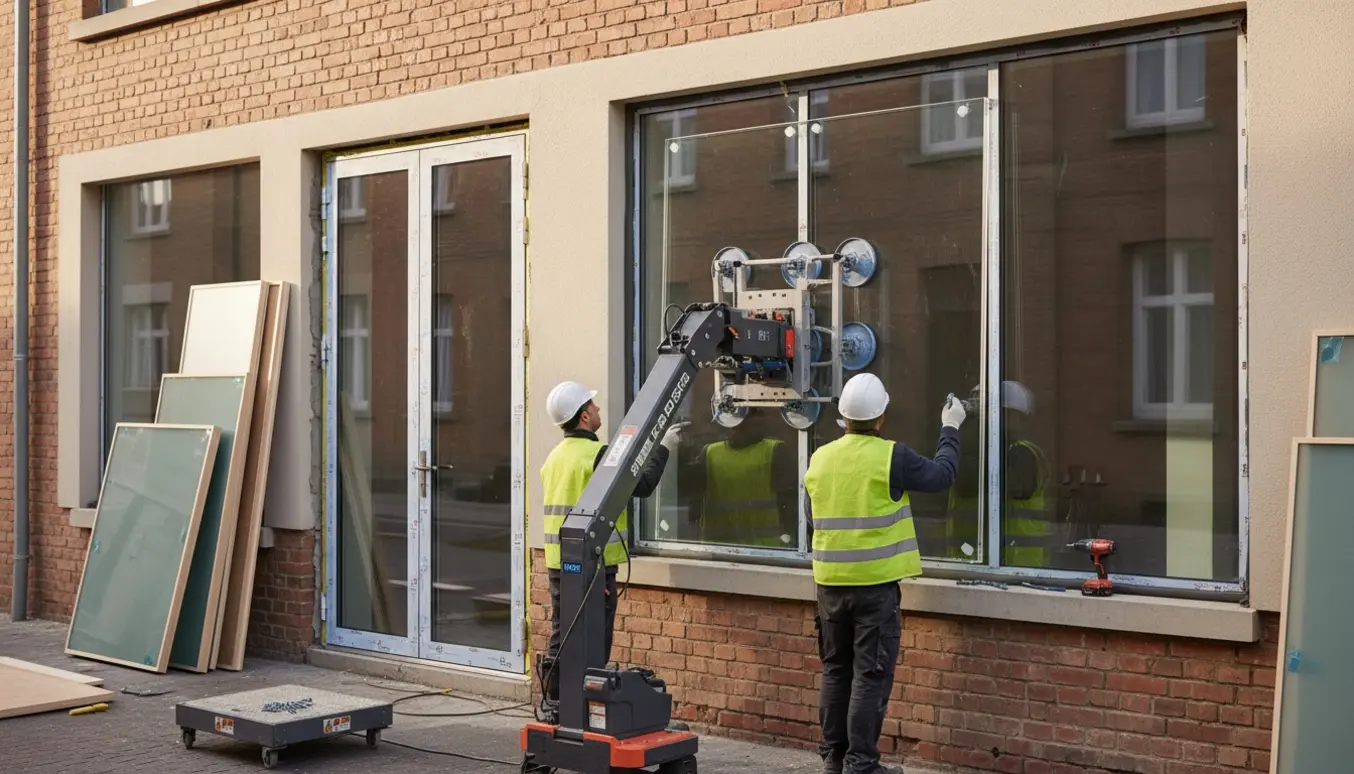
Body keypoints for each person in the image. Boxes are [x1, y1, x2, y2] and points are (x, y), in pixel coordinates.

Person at [805, 373, 964, 774]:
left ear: (842, 417)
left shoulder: (820, 457)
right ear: (881, 418)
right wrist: (951, 426)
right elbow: (942, 475)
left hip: (829, 588)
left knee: (836, 671)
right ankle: (861, 765)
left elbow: (813, 515)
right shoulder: (891, 456)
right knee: (870, 676)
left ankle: (833, 761)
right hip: (874, 589)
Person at [538, 380, 686, 716]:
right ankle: (583, 706)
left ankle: (554, 703)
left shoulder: (555, 457)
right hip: (593, 566)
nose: (599, 409)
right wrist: (664, 446)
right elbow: (643, 485)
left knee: (563, 632)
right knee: (595, 638)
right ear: (584, 417)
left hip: (560, 563)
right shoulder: (597, 456)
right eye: (593, 406)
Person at [945, 381, 1052, 565]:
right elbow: (963, 480)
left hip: (1019, 565)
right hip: (970, 560)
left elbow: (1001, 484)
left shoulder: (1025, 454)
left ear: (1016, 418)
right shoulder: (977, 451)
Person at [687, 409, 797, 548]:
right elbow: (693, 498)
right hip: (718, 549)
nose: (737, 428)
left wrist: (788, 533)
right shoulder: (709, 453)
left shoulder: (775, 450)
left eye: (744, 422)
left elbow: (789, 501)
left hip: (765, 550)